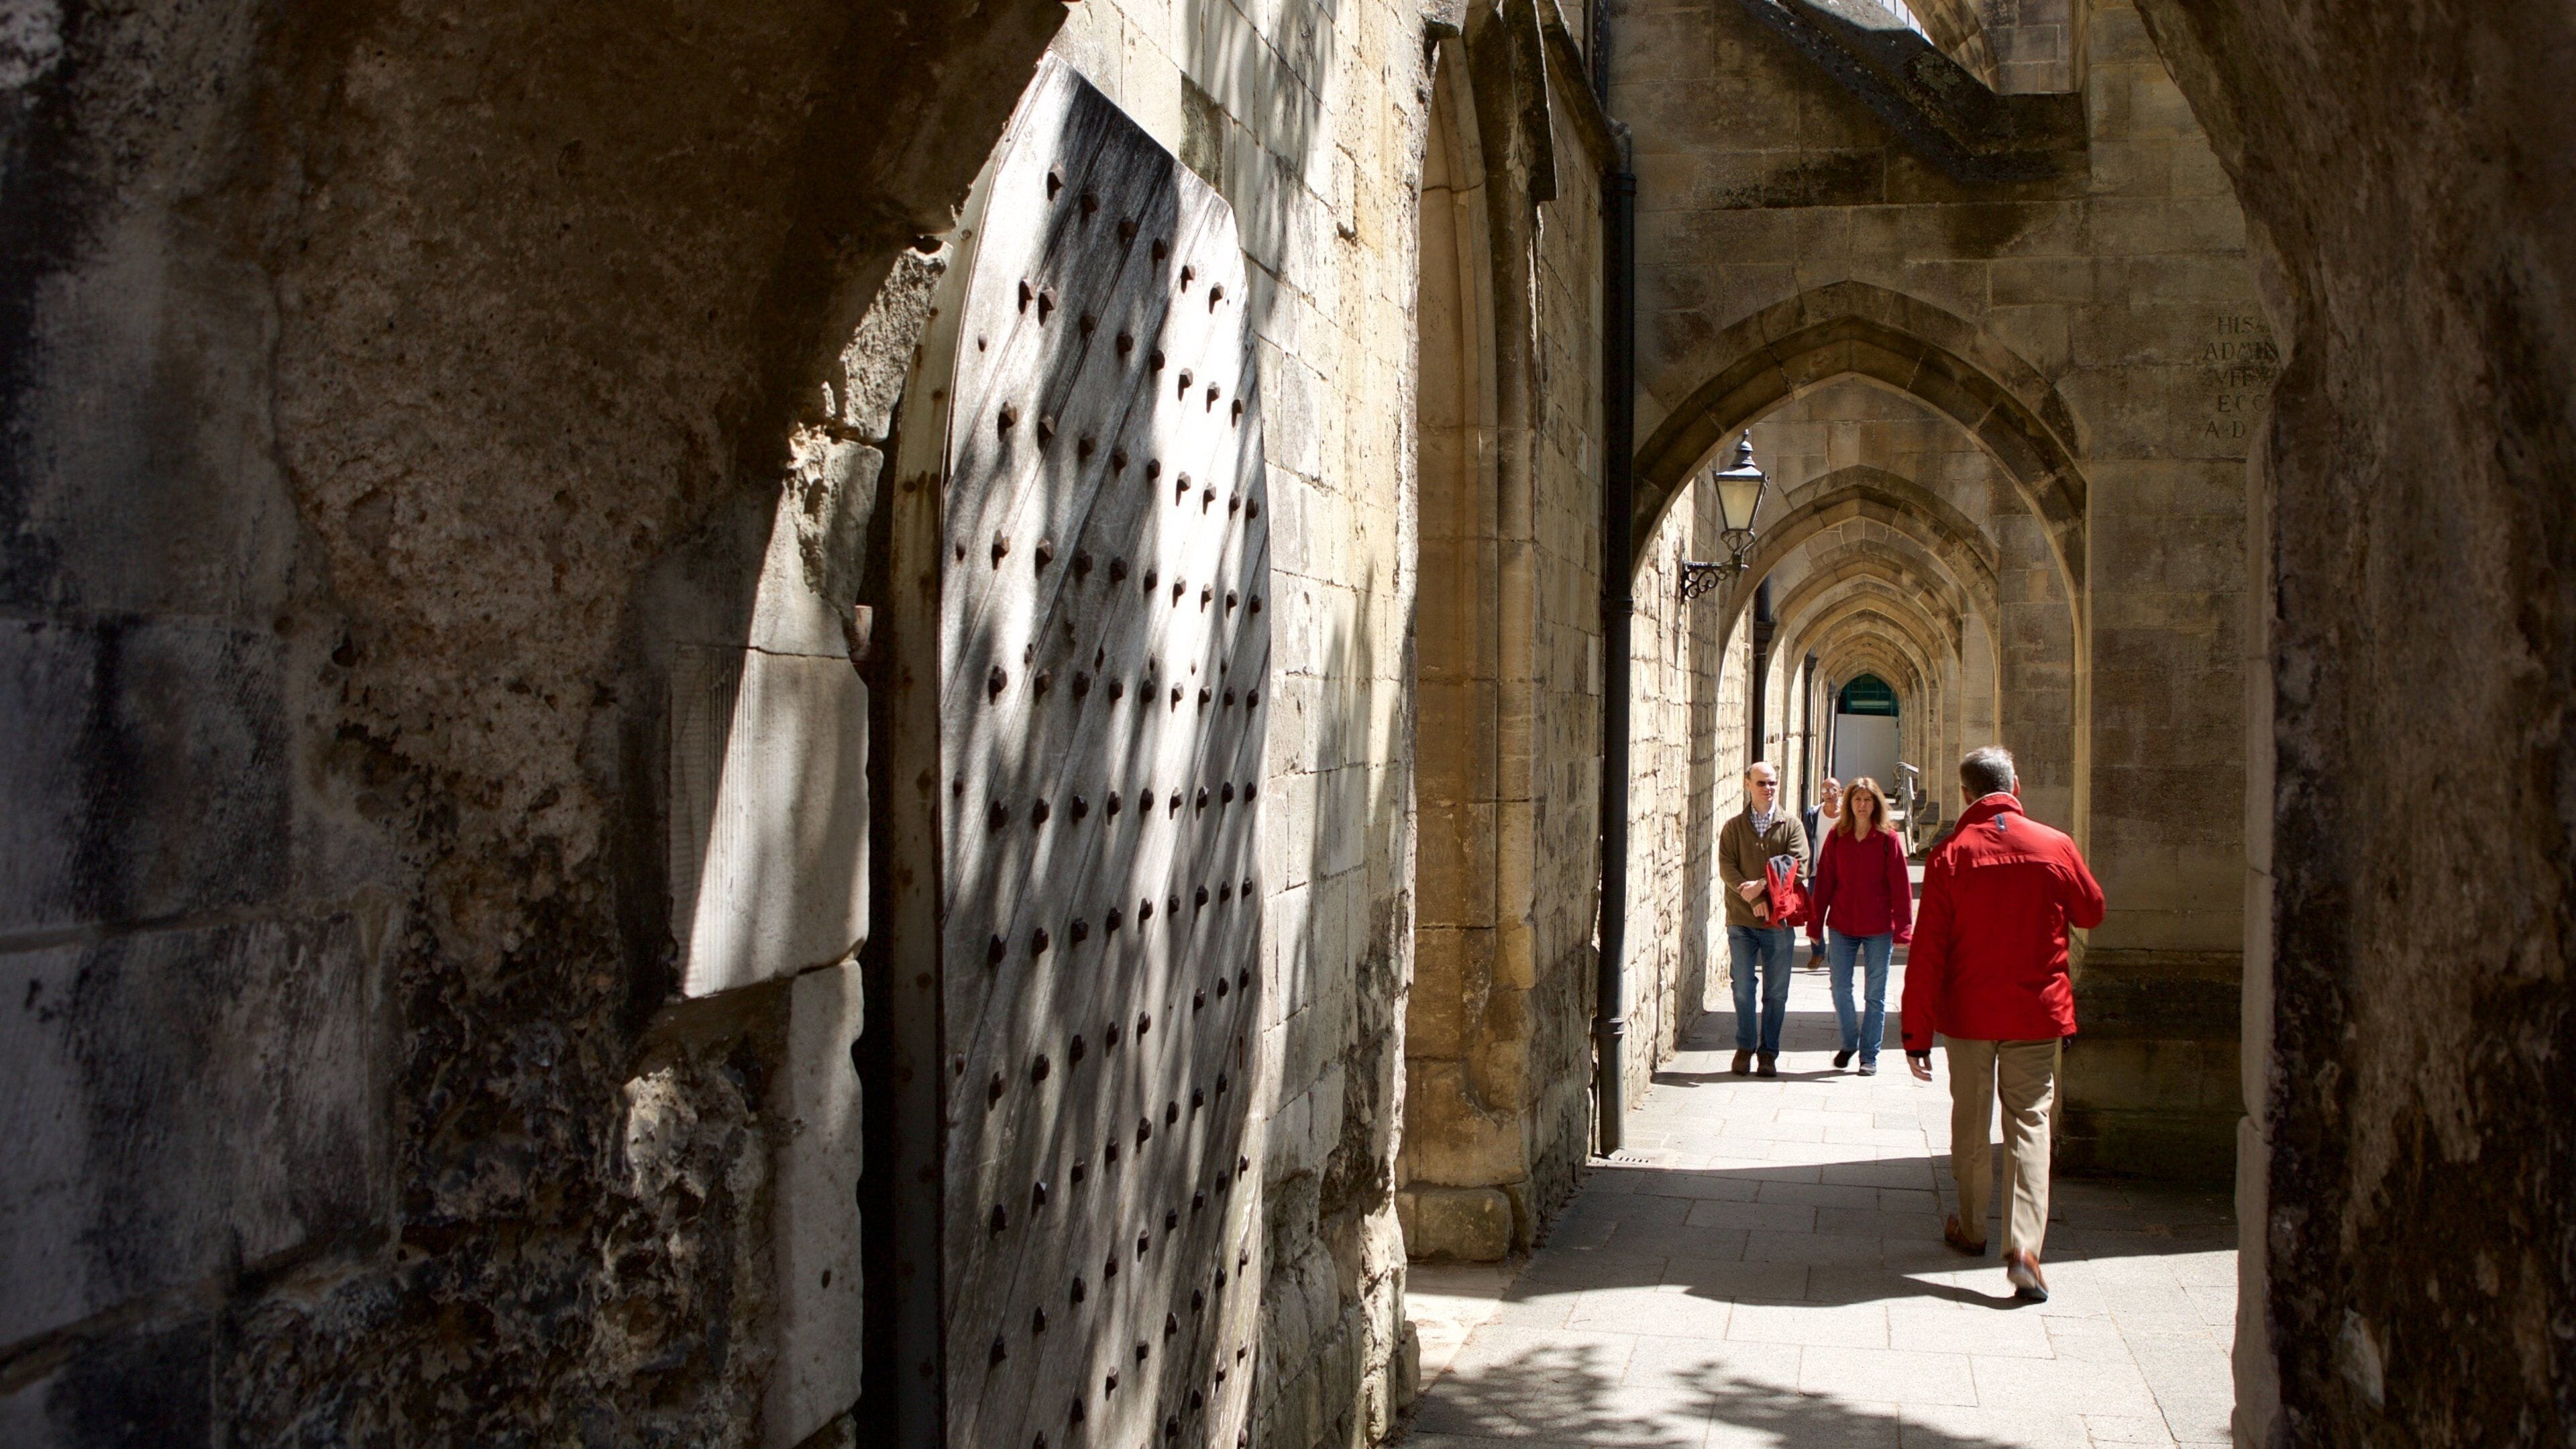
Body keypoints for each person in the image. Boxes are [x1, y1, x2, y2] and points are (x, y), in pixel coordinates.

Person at [1901, 746, 2102, 1303]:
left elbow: (1928, 954)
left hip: (1968, 1015)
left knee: (1971, 1120)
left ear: (1966, 794)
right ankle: (2025, 1250)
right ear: (2016, 782)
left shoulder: (1950, 856)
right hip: (2035, 1012)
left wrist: (1916, 1034)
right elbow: (2093, 910)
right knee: (2030, 1124)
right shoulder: (2053, 844)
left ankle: (1971, 1228)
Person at [1805, 776, 1911, 1075]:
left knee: (1874, 995)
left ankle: (1869, 1056)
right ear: (1849, 804)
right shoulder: (1838, 837)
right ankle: (1850, 1040)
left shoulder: (1888, 840)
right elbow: (1824, 883)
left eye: (1867, 800)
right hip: (1842, 925)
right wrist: (1815, 924)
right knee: (1840, 988)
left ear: (1876, 804)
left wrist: (1904, 929)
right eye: (1857, 800)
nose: (1862, 805)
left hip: (1879, 928)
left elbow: (1901, 887)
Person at [1718, 761, 1809, 1078]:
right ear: (1747, 785)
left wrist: (1765, 891)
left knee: (1776, 992)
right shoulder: (1733, 827)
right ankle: (1745, 1046)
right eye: (1761, 783)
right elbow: (1727, 867)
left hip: (1778, 923)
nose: (1767, 789)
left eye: (1772, 783)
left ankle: (1768, 1052)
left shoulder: (1791, 825)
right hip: (1742, 920)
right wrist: (1754, 896)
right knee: (1743, 987)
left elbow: (1799, 863)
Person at [1801, 777, 1843, 970]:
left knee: (1839, 916)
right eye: (1825, 789)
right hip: (1817, 872)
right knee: (1815, 915)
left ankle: (1836, 957)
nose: (1829, 793)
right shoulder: (1813, 815)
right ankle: (1817, 953)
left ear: (1840, 793)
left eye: (1833, 789)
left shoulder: (1846, 816)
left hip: (1842, 874)